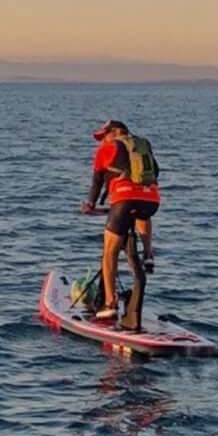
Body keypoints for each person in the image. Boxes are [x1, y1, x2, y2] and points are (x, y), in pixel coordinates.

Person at [82, 117, 160, 331]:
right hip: (152, 200)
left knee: (110, 252)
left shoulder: (108, 149)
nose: (101, 141)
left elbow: (97, 181)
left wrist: (90, 204)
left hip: (124, 200)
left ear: (115, 132)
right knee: (142, 214)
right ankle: (148, 254)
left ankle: (110, 304)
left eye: (103, 136)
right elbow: (156, 172)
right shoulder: (142, 145)